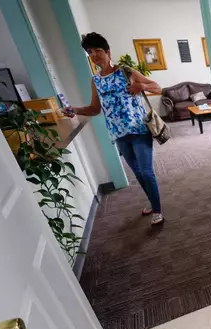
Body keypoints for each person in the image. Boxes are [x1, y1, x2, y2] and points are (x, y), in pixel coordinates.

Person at [65, 33, 164, 225]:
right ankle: (153, 202)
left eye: (98, 51)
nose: (94, 55)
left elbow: (157, 87)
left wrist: (140, 86)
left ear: (108, 52)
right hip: (119, 135)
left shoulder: (124, 71)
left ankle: (158, 211)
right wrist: (75, 110)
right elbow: (95, 109)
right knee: (137, 173)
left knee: (146, 171)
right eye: (90, 52)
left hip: (139, 130)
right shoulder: (96, 81)